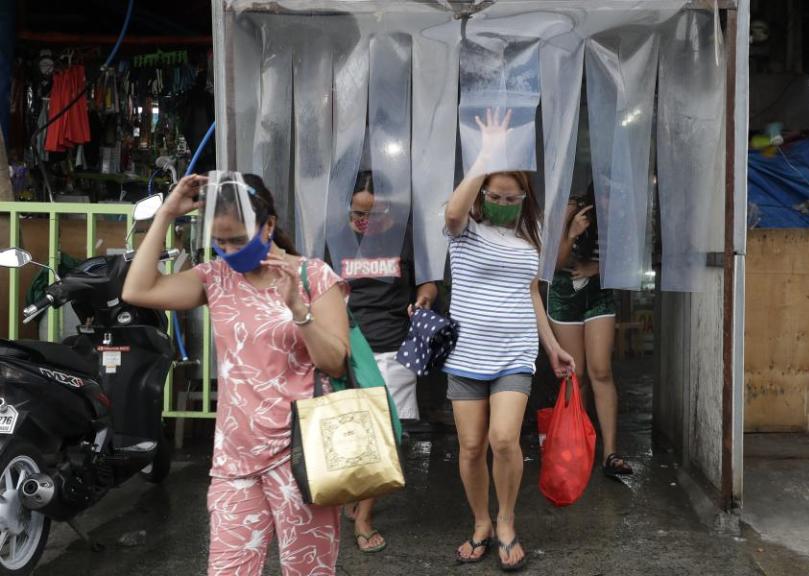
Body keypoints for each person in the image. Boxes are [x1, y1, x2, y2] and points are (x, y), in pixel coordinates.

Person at [122, 173, 349, 576]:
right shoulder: (215, 278)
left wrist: (300, 310)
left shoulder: (314, 276)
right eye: (219, 242)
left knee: (307, 571)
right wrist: (166, 214)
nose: (227, 252)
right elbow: (138, 291)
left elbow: (335, 362)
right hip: (233, 460)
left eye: (238, 241)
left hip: (299, 457)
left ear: (269, 226)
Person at [444, 109, 575, 572]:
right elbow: (454, 209)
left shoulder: (532, 232)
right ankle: (480, 522)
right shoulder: (463, 229)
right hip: (466, 353)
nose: (502, 201)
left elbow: (532, 293)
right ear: (483, 193)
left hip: (516, 350)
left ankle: (505, 519)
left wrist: (553, 344)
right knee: (472, 447)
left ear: (523, 197)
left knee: (504, 440)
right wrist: (485, 156)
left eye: (510, 196)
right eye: (494, 195)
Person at [337, 170, 438, 553]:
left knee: (386, 437)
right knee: (356, 432)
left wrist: (425, 298)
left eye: (372, 215)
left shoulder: (406, 239)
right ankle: (358, 494)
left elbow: (428, 282)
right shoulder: (337, 240)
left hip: (396, 348)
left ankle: (364, 517)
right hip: (350, 347)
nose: (364, 223)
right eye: (357, 214)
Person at [548, 184, 633, 477]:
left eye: (615, 195)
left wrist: (594, 269)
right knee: (577, 373)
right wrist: (571, 231)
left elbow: (628, 261)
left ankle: (610, 452)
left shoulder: (620, 218)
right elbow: (553, 263)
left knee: (601, 371)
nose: (611, 202)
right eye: (605, 196)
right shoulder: (572, 211)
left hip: (598, 294)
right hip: (563, 294)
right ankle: (576, 447)